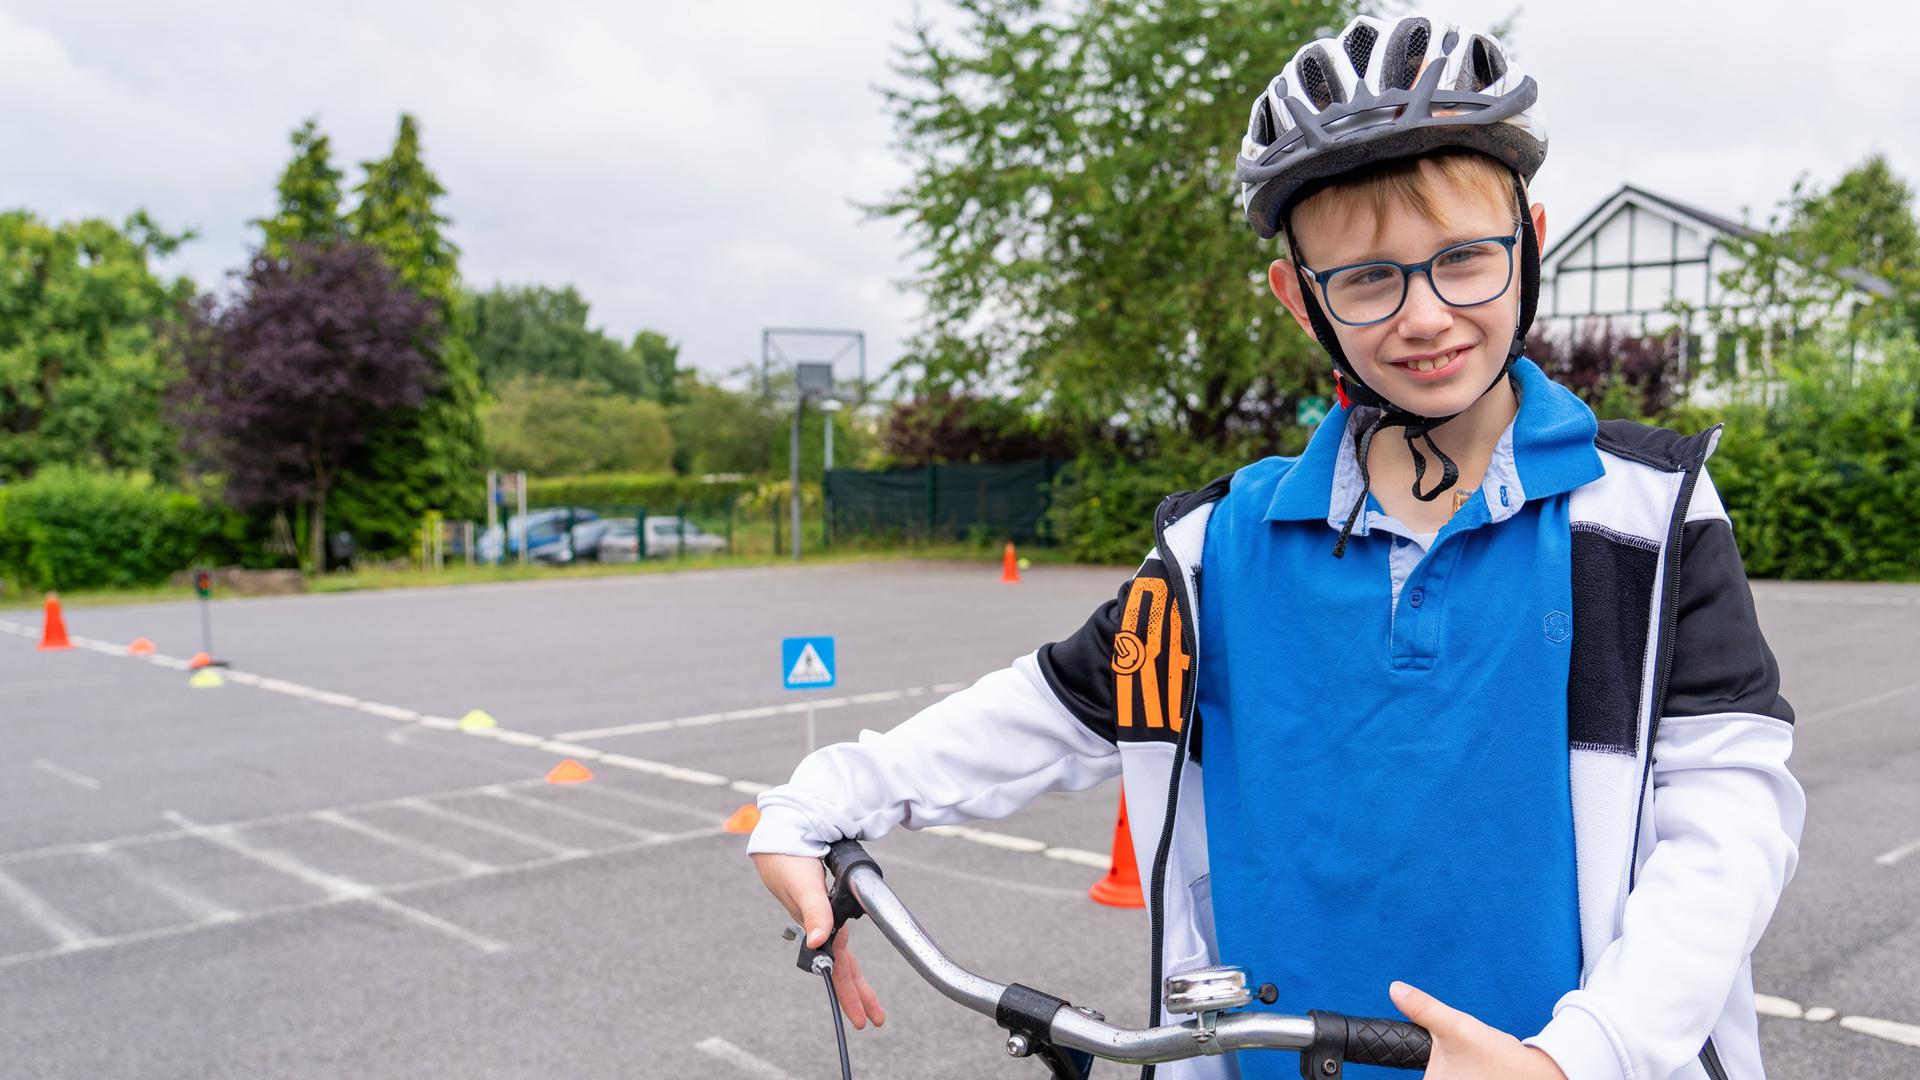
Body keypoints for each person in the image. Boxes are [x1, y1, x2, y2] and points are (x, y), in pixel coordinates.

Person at [749, 15, 1803, 1080]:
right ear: (1301, 299)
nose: (1426, 314)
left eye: (1465, 261)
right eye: (1367, 279)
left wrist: (1580, 1056)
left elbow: (1730, 823)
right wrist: (817, 803)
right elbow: (1047, 707)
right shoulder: (1219, 554)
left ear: (1529, 241)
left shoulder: (1644, 513)